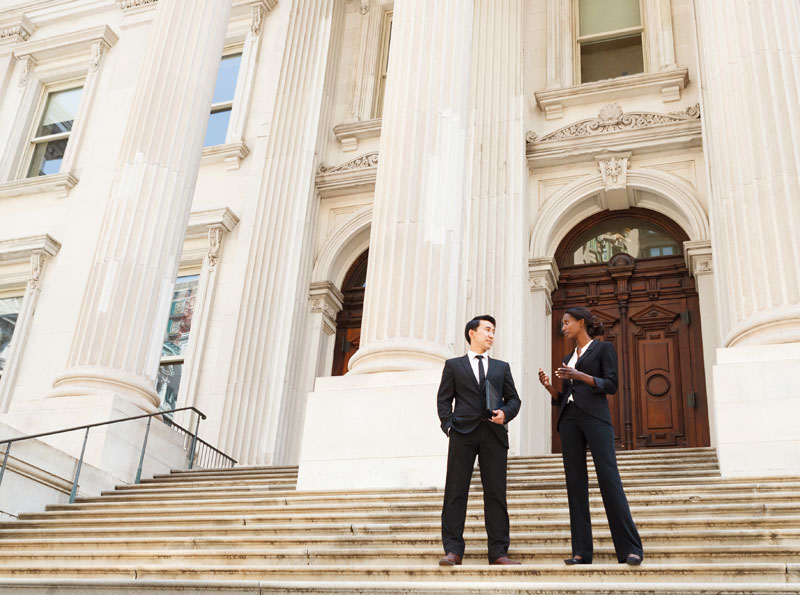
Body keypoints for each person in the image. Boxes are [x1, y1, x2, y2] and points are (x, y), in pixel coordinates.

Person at [538, 306, 643, 566]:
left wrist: (580, 375)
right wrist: (550, 387)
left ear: (581, 322)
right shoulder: (568, 356)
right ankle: (581, 552)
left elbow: (611, 384)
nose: (563, 327)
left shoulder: (603, 349)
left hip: (596, 419)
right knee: (575, 485)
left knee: (609, 480)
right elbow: (564, 397)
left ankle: (630, 549)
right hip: (569, 420)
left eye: (566, 322)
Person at [437, 315, 522, 566]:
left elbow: (514, 399)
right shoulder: (453, 365)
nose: (491, 334)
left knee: (496, 493)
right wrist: (448, 426)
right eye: (487, 329)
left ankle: (498, 552)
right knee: (455, 491)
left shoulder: (501, 367)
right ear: (472, 333)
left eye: (493, 330)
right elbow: (443, 399)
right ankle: (453, 550)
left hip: (494, 435)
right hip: (462, 434)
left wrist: (505, 413)